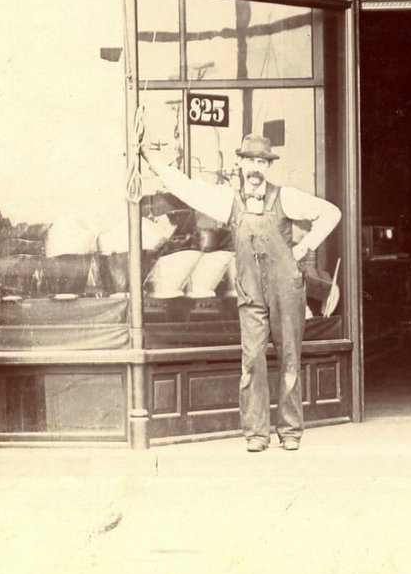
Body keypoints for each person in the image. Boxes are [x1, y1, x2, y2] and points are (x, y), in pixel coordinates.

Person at [141, 133, 341, 452]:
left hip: (286, 291)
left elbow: (331, 213)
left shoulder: (286, 197)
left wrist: (305, 246)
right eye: (250, 161)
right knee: (252, 362)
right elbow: (187, 188)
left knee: (290, 358)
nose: (255, 168)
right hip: (250, 293)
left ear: (267, 166)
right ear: (241, 164)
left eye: (261, 162)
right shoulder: (227, 200)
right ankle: (256, 433)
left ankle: (290, 431)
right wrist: (152, 162)